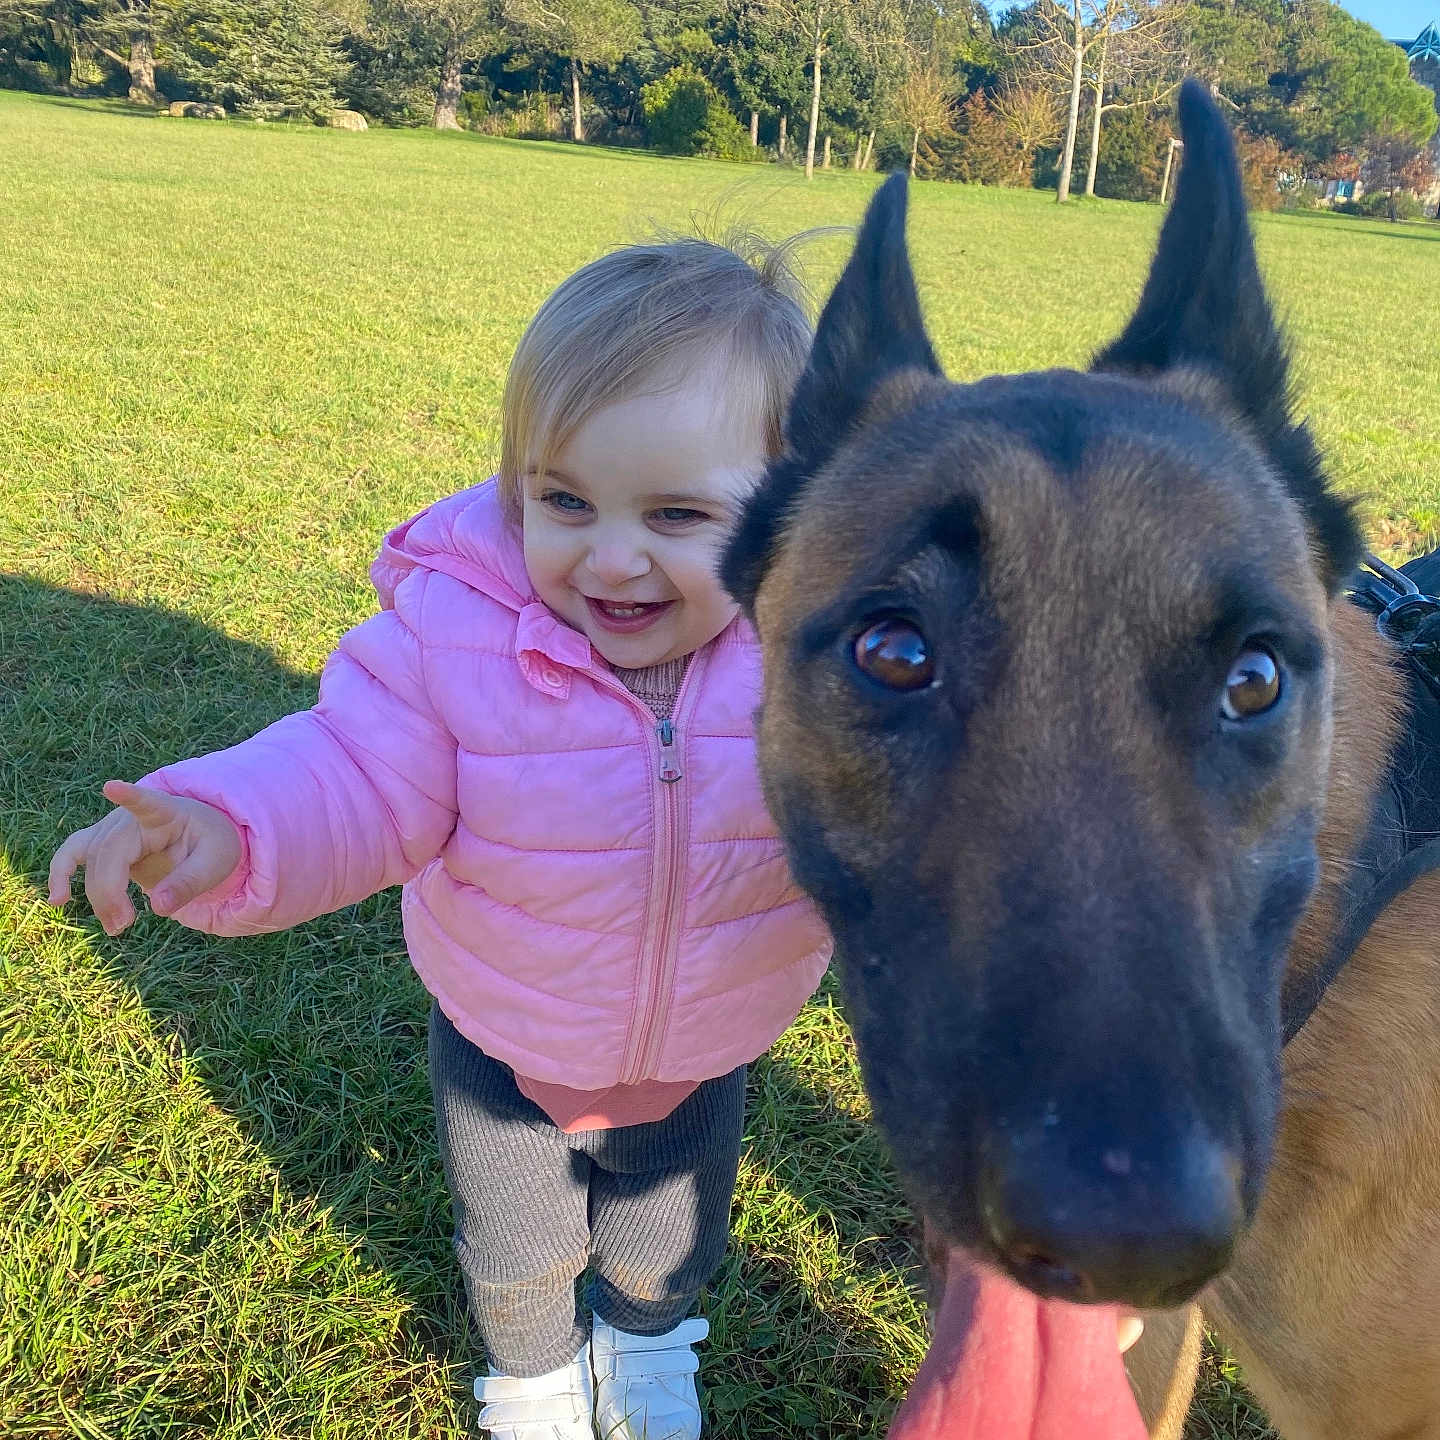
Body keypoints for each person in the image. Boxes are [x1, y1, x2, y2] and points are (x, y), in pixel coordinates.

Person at [48, 232, 833, 1440]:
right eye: (563, 500)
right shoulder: (458, 635)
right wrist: (221, 822)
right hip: (503, 1032)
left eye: (676, 514)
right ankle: (532, 1376)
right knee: (517, 1247)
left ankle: (647, 1342)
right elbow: (350, 770)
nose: (610, 556)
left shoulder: (820, 657)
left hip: (707, 1038)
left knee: (667, 1233)